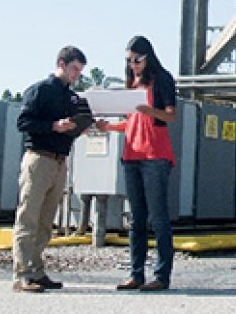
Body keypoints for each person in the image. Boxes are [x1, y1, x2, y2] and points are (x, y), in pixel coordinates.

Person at [12, 45, 103, 293]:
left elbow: (73, 125)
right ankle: (22, 274)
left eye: (80, 71)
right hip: (38, 159)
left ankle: (37, 271)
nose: (77, 75)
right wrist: (53, 126)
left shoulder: (72, 97)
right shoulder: (40, 90)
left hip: (60, 160)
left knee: (45, 220)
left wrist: (78, 129)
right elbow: (23, 122)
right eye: (74, 69)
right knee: (28, 216)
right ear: (61, 64)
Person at [106, 35, 178, 292]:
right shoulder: (131, 83)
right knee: (136, 219)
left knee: (158, 218)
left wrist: (150, 111)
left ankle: (161, 275)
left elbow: (170, 116)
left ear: (148, 58)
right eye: (129, 61)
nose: (133, 65)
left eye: (137, 60)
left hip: (155, 156)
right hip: (131, 156)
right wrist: (109, 126)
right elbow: (131, 122)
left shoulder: (163, 79)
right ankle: (135, 273)